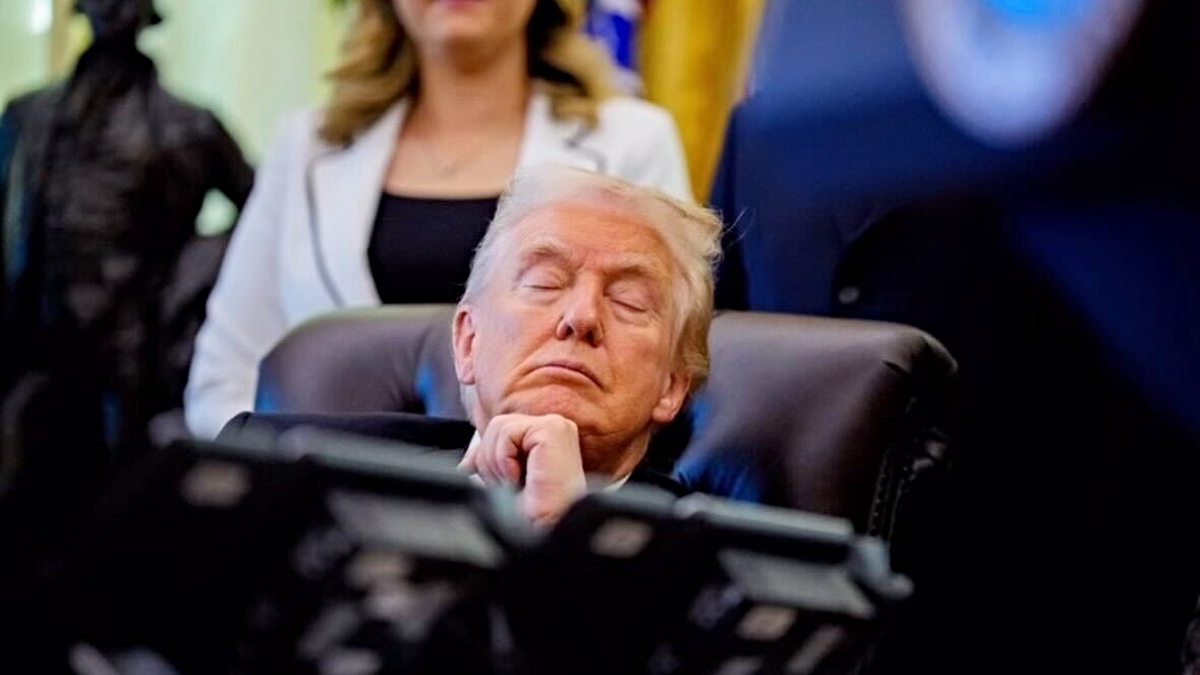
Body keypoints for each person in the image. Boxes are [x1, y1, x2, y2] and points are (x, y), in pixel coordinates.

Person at [185, 0, 693, 438]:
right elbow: (224, 379)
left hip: (542, 512)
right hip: (327, 512)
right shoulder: (307, 146)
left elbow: (668, 362)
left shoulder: (633, 142)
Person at [0, 0, 253, 455]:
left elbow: (263, 223)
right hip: (38, 355)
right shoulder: (27, 117)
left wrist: (193, 273)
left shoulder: (188, 127)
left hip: (137, 362)